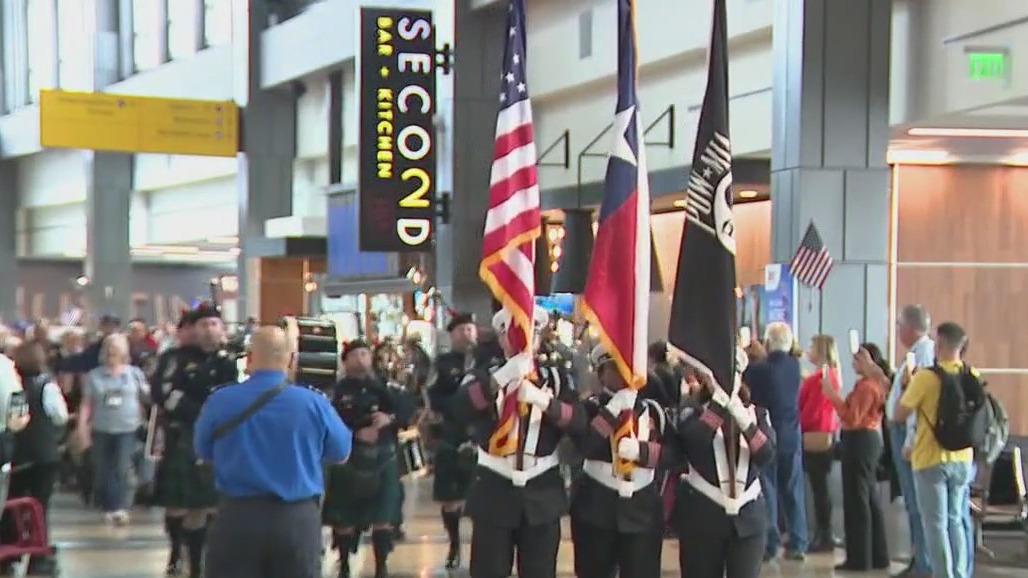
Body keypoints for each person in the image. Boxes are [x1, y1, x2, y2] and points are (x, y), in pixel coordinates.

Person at [195, 325, 352, 578]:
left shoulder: (220, 401)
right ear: (291, 359)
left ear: (249, 358)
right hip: (296, 519)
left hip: (237, 517)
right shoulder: (313, 403)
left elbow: (203, 451)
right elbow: (341, 453)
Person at [457, 307, 581, 578]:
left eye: (532, 332)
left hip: (542, 489)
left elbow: (579, 423)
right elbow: (459, 409)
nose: (525, 339)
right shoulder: (483, 374)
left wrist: (545, 402)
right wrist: (500, 379)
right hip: (494, 486)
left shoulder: (557, 377)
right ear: (502, 338)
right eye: (515, 333)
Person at [151, 303, 238, 578]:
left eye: (214, 324)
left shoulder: (231, 360)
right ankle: (179, 551)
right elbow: (164, 392)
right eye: (204, 325)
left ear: (222, 329)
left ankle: (204, 559)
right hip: (185, 435)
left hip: (222, 436)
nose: (209, 330)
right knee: (182, 504)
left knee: (212, 503)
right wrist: (200, 412)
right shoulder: (175, 359)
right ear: (194, 329)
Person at [569, 344, 668, 578]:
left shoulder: (651, 410)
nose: (624, 373)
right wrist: (612, 411)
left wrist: (642, 452)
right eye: (615, 367)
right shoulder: (590, 407)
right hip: (596, 507)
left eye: (628, 367)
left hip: (642, 508)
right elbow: (585, 445)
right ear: (602, 373)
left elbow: (675, 454)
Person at [675, 348, 776, 578]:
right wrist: (719, 405)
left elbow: (766, 455)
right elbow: (694, 443)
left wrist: (742, 417)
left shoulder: (756, 413)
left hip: (748, 519)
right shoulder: (691, 409)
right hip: (702, 517)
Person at [895, 322, 976, 578]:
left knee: (935, 524)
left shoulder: (926, 377)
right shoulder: (971, 375)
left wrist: (909, 384)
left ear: (939, 344)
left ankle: (944, 575)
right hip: (963, 458)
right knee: (955, 520)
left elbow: (899, 414)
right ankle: (961, 573)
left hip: (930, 459)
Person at [323, 340, 402, 578]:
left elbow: (407, 410)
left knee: (383, 516)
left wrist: (390, 419)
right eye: (356, 354)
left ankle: (381, 566)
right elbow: (329, 422)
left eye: (365, 353)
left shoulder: (385, 386)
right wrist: (354, 433)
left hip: (383, 455)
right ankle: (344, 563)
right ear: (345, 361)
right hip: (348, 457)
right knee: (343, 516)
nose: (361, 358)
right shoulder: (335, 391)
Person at [742, 322, 808, 560]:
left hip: (768, 435)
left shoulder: (758, 370)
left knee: (767, 488)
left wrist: (753, 356)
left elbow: (746, 383)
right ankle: (799, 541)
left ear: (768, 343)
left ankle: (770, 544)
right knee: (793, 488)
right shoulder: (794, 365)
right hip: (792, 434)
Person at [824, 343, 891, 571]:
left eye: (857, 359)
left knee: (856, 500)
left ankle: (859, 558)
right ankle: (877, 555)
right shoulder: (873, 384)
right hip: (866, 441)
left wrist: (832, 397)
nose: (853, 363)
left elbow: (852, 417)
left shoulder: (868, 387)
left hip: (860, 440)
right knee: (868, 498)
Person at [3, 342, 68, 575]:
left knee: (13, 504)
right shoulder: (47, 386)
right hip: (45, 456)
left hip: (19, 455)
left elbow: (14, 418)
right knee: (41, 507)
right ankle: (39, 558)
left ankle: (9, 553)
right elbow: (60, 416)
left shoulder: (15, 384)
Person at [77, 333, 149, 526]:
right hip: (102, 428)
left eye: (116, 350)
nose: (112, 354)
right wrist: (82, 429)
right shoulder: (95, 375)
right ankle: (108, 506)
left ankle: (121, 507)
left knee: (122, 467)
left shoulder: (134, 374)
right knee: (103, 470)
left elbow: (147, 397)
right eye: (109, 349)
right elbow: (86, 404)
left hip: (127, 427)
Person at [427, 312, 479, 568]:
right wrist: (460, 405)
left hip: (483, 436)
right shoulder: (443, 363)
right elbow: (432, 396)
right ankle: (455, 543)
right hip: (452, 434)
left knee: (484, 496)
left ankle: (484, 546)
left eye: (470, 329)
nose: (467, 334)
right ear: (452, 335)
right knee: (451, 498)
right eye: (461, 330)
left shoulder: (487, 359)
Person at [889, 304, 935, 578]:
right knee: (911, 501)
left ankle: (924, 562)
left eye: (899, 325)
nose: (897, 330)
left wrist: (910, 439)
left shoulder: (924, 355)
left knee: (918, 503)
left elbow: (919, 405)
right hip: (900, 430)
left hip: (910, 436)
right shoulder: (913, 354)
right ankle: (918, 556)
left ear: (910, 327)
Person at [798, 334, 841, 552]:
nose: (808, 349)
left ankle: (823, 534)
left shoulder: (821, 378)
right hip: (824, 434)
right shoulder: (828, 375)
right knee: (819, 488)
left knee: (819, 489)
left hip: (816, 433)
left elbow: (812, 411)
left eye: (812, 346)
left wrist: (799, 423)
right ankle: (823, 532)